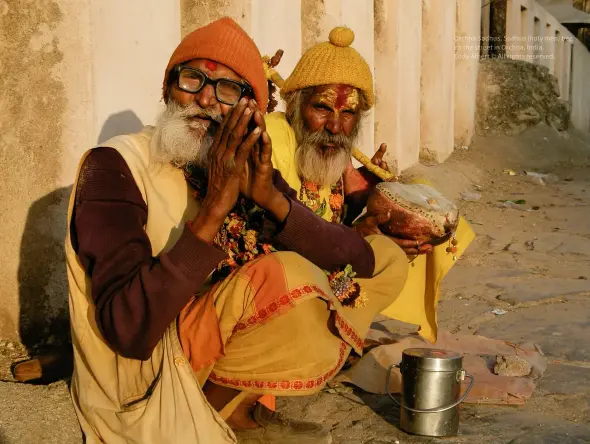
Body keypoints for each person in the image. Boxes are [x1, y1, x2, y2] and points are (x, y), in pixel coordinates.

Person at [65, 17, 408, 444]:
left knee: (386, 259)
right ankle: (204, 410)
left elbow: (353, 257)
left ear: (252, 110)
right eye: (192, 79)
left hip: (213, 335)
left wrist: (270, 198)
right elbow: (128, 330)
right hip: (148, 368)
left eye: (228, 89)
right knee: (289, 275)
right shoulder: (115, 165)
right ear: (167, 89)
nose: (206, 98)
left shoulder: (237, 163)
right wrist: (213, 211)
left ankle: (235, 406)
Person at [265, 26, 475, 344]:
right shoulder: (274, 139)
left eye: (348, 113)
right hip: (273, 281)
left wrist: (363, 194)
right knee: (374, 251)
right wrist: (357, 237)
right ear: (295, 105)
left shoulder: (332, 152)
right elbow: (286, 232)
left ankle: (334, 329)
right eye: (322, 108)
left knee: (394, 250)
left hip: (323, 272)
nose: (335, 126)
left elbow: (328, 212)